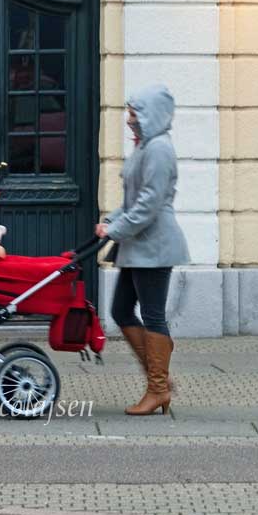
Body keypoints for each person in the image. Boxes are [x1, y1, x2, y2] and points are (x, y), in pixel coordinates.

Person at [95, 84, 190, 416]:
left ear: (151, 114)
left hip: (155, 246)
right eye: (129, 112)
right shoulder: (144, 147)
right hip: (139, 245)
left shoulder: (159, 149)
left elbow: (149, 204)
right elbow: (133, 200)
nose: (129, 119)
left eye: (134, 113)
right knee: (121, 310)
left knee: (152, 315)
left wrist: (116, 230)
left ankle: (158, 389)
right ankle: (158, 378)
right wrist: (110, 220)